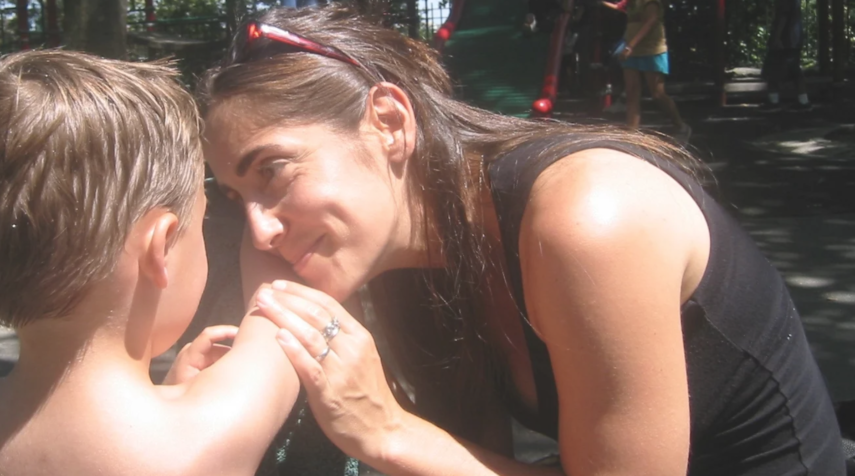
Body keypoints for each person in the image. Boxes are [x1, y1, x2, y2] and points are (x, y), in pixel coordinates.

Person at [202, 6, 845, 475]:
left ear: (390, 124)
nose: (261, 229)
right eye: (237, 198)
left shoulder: (589, 218)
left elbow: (414, 445)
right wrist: (233, 385)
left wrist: (389, 431)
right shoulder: (407, 262)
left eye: (273, 171)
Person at [0, 50, 298, 476]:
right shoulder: (209, 431)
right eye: (204, 219)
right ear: (159, 248)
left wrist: (170, 396)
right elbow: (281, 308)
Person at [603, 0, 689, 144]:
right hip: (631, 52)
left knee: (657, 94)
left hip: (651, 51)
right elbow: (618, 7)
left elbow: (650, 22)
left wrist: (630, 46)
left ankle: (681, 126)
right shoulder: (630, 2)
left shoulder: (651, 2)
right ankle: (632, 135)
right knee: (632, 93)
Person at [763, 0, 810, 111]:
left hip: (786, 39)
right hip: (794, 38)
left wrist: (776, 37)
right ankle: (803, 101)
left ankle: (774, 101)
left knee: (773, 68)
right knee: (794, 70)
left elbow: (782, 17)